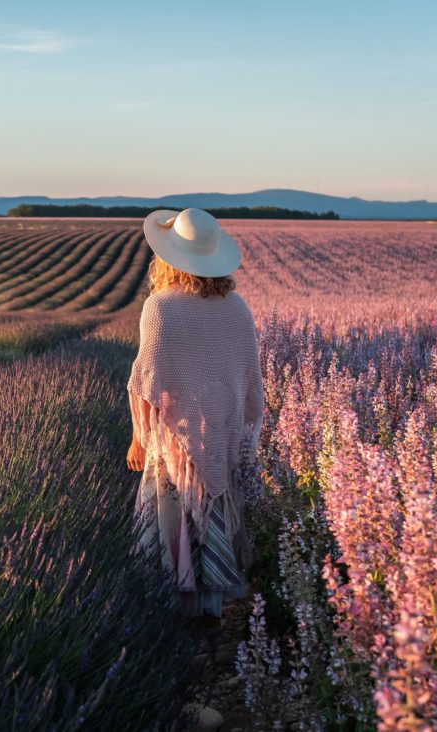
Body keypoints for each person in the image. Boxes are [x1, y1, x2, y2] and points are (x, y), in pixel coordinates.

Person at [125, 207, 264, 644]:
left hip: (174, 442)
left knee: (175, 516)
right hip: (220, 437)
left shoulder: (160, 308)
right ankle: (212, 611)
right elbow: (249, 381)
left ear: (168, 259)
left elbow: (147, 382)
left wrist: (138, 440)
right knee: (215, 511)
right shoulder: (237, 309)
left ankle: (179, 615)